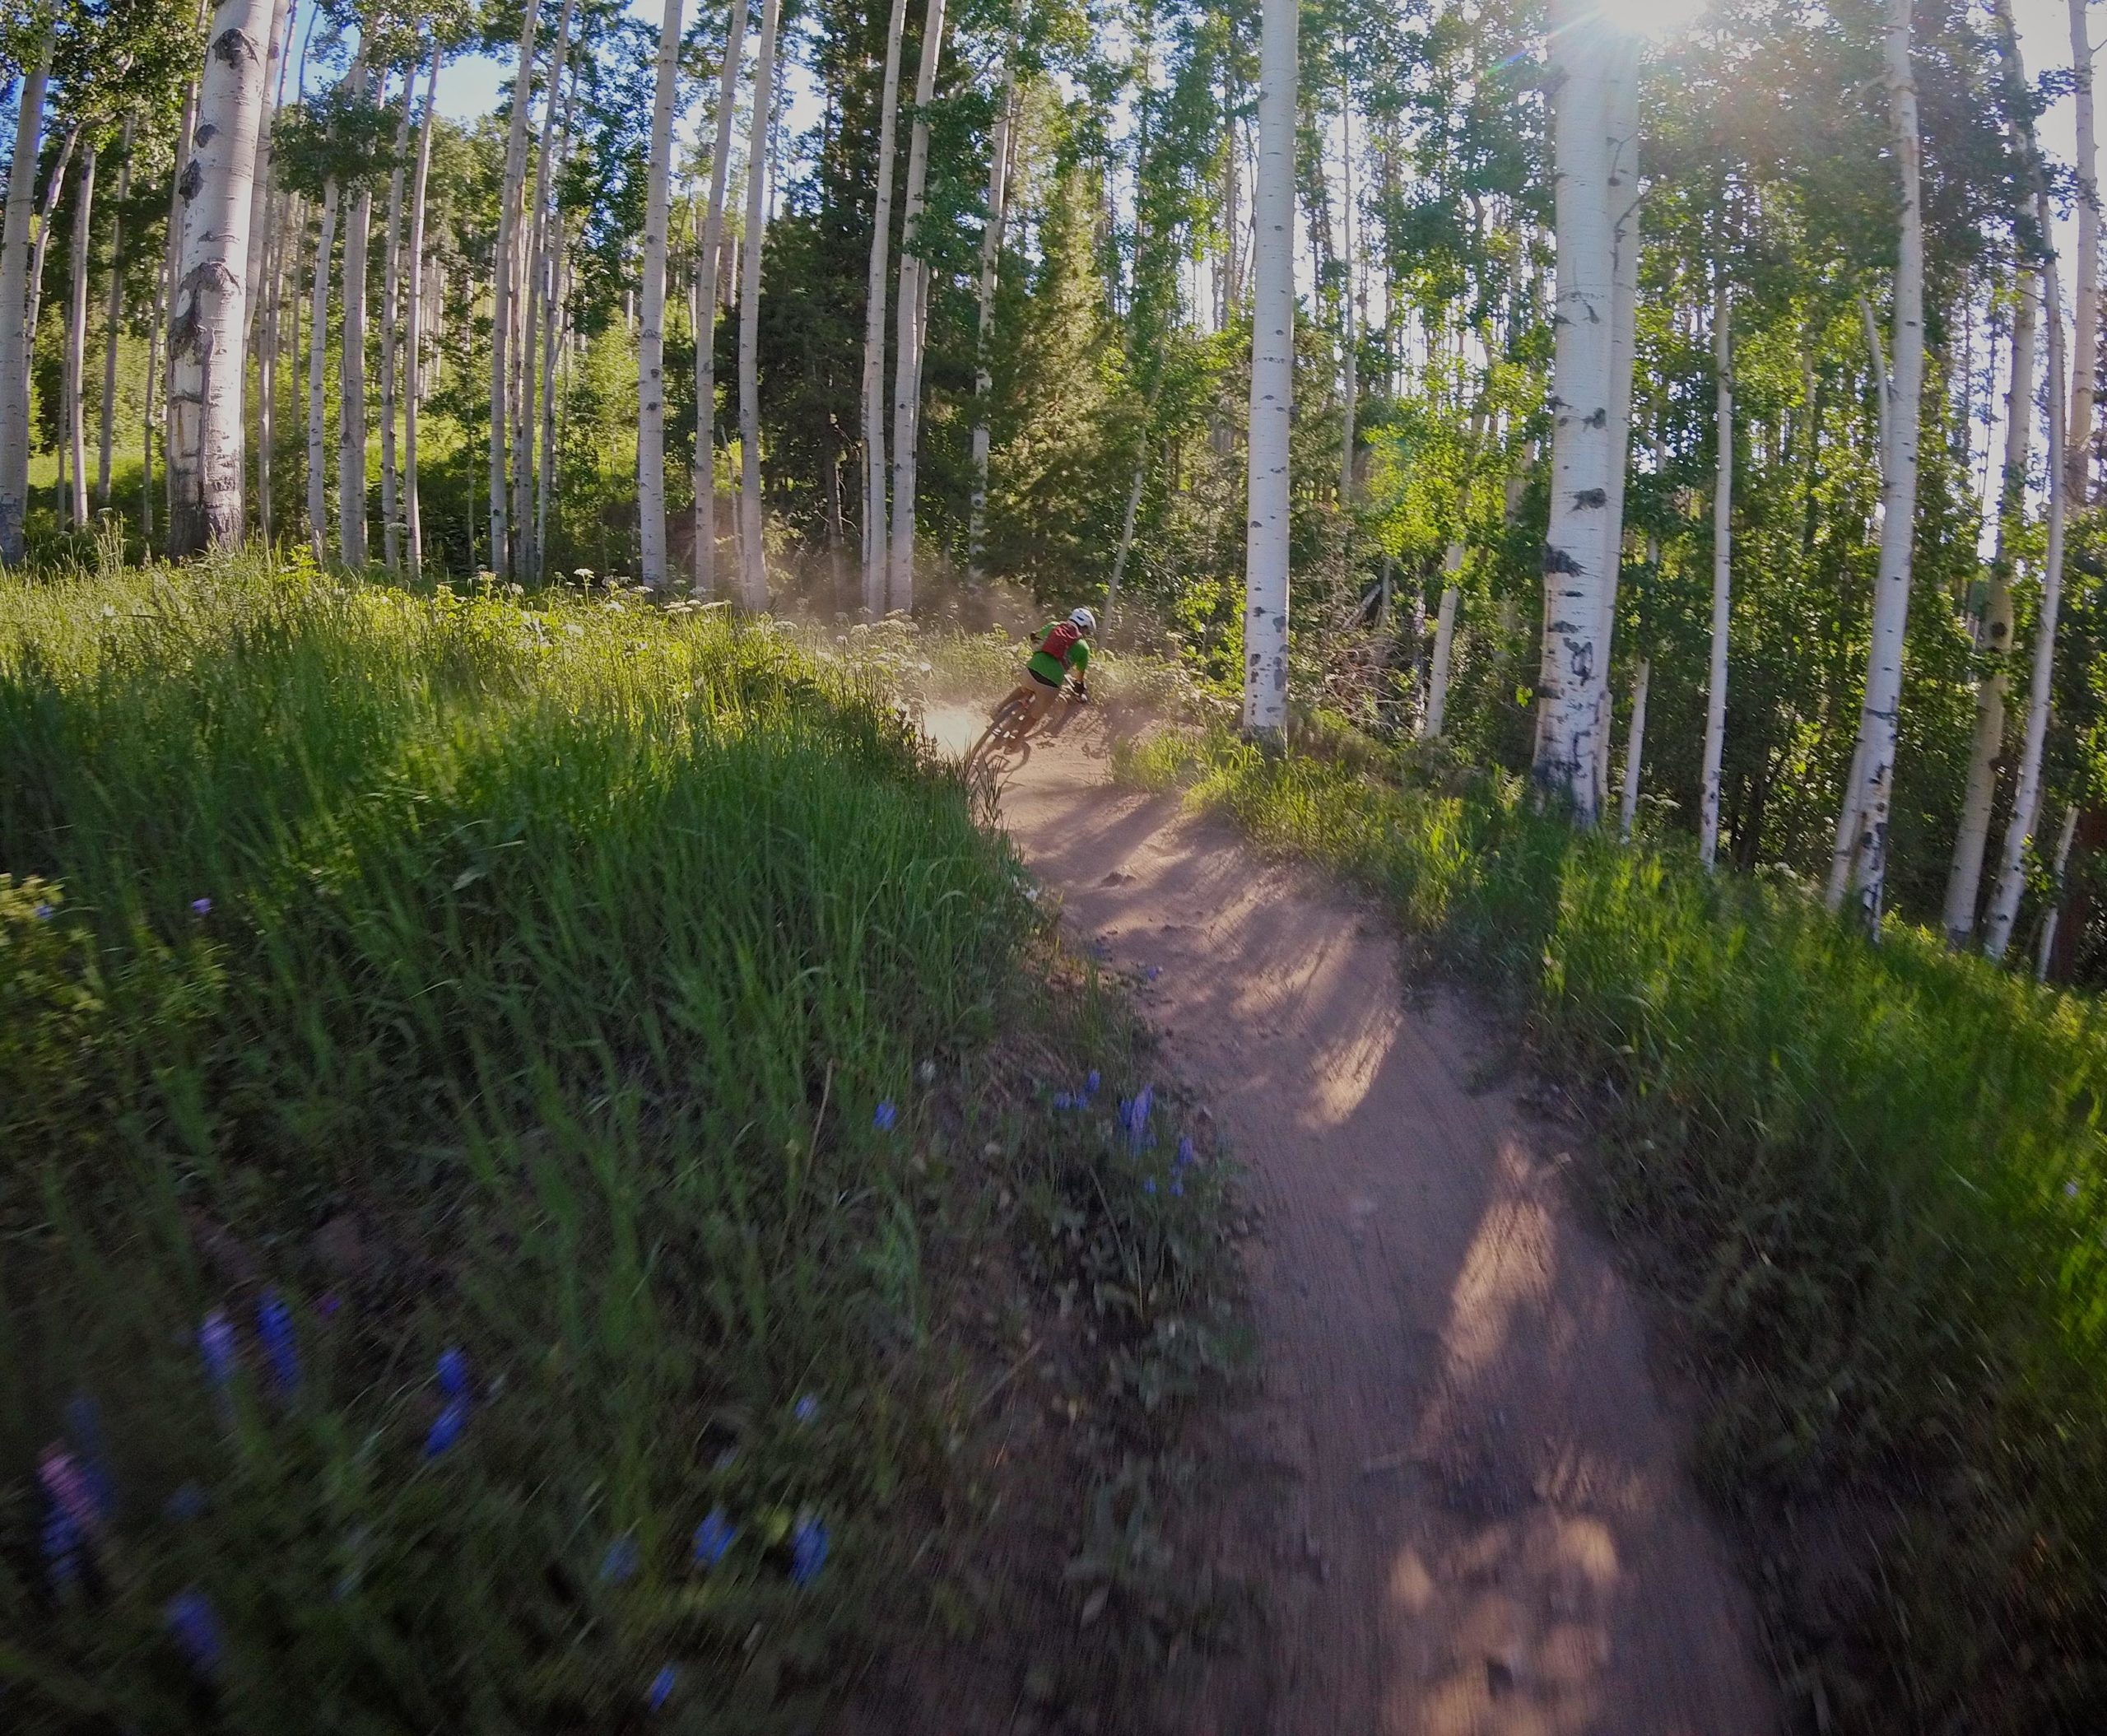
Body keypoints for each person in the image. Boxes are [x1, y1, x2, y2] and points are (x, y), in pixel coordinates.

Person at [996, 607, 1095, 741]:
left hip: (1031, 671)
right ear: (1084, 628)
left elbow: (1035, 637)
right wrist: (1079, 691)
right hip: (1050, 684)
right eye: (1086, 631)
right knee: (1034, 716)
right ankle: (1016, 741)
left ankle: (999, 709)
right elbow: (1079, 679)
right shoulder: (1083, 647)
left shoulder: (1054, 626)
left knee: (1024, 688)